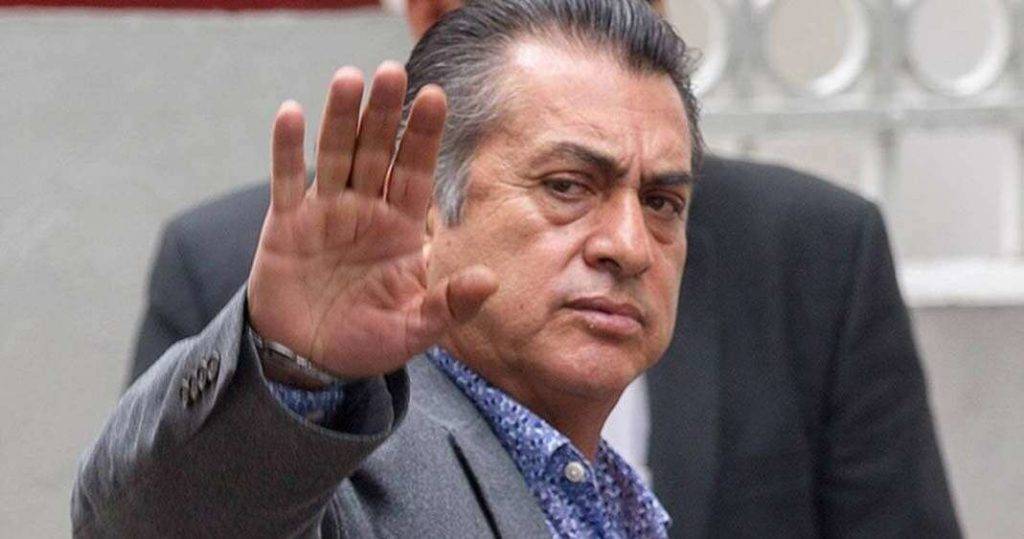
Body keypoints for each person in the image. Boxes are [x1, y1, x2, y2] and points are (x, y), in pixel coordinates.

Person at [118, 1, 961, 538]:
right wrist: (291, 368)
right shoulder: (345, 464)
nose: (628, 244)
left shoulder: (611, 497)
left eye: (663, 201)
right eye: (567, 186)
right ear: (427, 204)